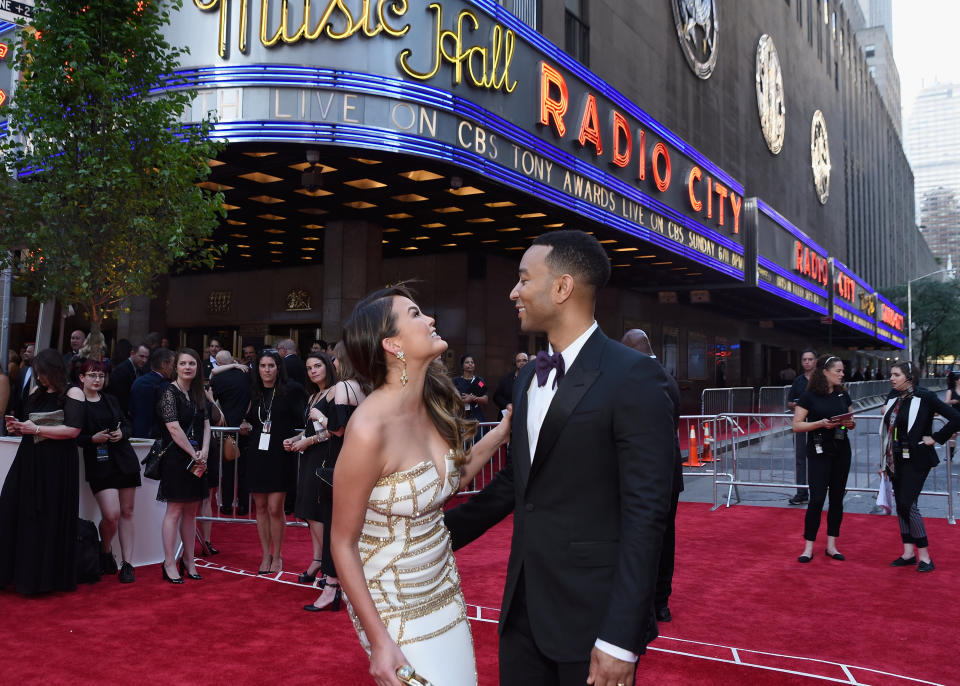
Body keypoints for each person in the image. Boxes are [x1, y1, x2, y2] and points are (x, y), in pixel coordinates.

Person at [445, 230, 676, 686]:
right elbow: (517, 483)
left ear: (562, 288)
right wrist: (435, 539)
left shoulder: (635, 377)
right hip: (522, 610)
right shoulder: (529, 374)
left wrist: (620, 638)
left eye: (523, 279)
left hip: (593, 620)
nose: (514, 292)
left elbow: (648, 515)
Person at [331, 284, 511, 685]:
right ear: (392, 345)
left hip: (443, 584)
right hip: (390, 602)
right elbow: (342, 542)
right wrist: (379, 641)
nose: (430, 319)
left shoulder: (433, 402)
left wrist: (502, 432)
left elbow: (452, 478)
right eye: (415, 314)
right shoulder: (368, 429)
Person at [0, 349, 85, 594]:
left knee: (47, 515)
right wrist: (17, 428)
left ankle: (43, 579)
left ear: (55, 370)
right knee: (11, 507)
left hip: (56, 465)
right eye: (38, 373)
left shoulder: (73, 392)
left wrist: (35, 429)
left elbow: (73, 430)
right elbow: (31, 422)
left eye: (43, 373)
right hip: (29, 459)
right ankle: (15, 573)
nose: (40, 377)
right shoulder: (37, 391)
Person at [620, 328, 683, 623]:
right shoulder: (667, 379)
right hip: (667, 474)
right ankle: (660, 602)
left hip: (647, 477)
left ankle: (649, 602)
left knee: (643, 539)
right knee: (664, 537)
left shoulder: (639, 380)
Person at [302, 341, 367, 612]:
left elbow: (339, 429)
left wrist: (320, 415)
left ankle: (331, 588)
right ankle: (344, 588)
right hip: (358, 463)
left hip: (341, 463)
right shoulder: (364, 389)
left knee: (334, 527)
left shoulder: (343, 387)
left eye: (335, 360)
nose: (333, 365)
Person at [882, 361, 960, 573]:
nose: (891, 378)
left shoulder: (925, 396)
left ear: (909, 378)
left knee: (908, 504)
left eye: (896, 374)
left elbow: (956, 418)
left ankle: (925, 556)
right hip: (895, 457)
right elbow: (888, 430)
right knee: (901, 504)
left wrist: (935, 438)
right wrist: (883, 460)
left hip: (917, 458)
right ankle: (908, 553)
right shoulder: (892, 396)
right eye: (891, 374)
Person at [240, 350, 306, 575]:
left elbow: (305, 421)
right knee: (260, 507)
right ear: (257, 369)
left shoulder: (292, 391)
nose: (267, 370)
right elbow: (249, 420)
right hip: (258, 455)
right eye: (262, 366)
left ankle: (278, 555)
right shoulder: (255, 393)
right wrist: (244, 424)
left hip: (281, 454)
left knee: (275, 508)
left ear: (278, 368)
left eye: (271, 366)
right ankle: (265, 554)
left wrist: (297, 439)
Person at [76, 359, 141, 583]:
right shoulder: (76, 403)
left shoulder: (111, 400)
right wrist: (91, 439)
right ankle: (104, 551)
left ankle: (128, 563)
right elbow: (74, 435)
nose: (97, 380)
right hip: (99, 463)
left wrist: (122, 433)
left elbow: (128, 424)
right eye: (92, 375)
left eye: (101, 376)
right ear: (81, 378)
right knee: (111, 514)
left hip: (124, 460)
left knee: (128, 512)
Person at [792, 355, 855, 563]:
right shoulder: (809, 396)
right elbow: (797, 425)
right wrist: (820, 423)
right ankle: (808, 547)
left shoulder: (843, 395)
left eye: (843, 371)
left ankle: (832, 545)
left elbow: (850, 420)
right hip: (819, 451)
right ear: (826, 372)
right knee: (817, 499)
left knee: (837, 499)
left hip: (841, 450)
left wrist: (847, 424)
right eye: (838, 371)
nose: (842, 374)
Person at [157, 348, 211, 584]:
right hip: (177, 460)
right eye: (183, 363)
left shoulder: (199, 393)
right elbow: (173, 428)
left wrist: (205, 451)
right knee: (175, 510)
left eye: (192, 363)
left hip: (198, 458)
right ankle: (169, 561)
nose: (188, 367)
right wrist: (193, 453)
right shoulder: (169, 392)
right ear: (175, 367)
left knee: (191, 512)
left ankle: (189, 561)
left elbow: (207, 423)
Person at [286, 352, 336, 588]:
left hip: (324, 458)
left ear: (328, 367)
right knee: (307, 510)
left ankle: (327, 566)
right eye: (309, 368)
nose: (313, 371)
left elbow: (336, 430)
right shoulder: (313, 395)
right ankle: (318, 559)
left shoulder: (336, 392)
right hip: (309, 457)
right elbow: (308, 430)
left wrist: (307, 442)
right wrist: (295, 438)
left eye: (318, 366)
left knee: (317, 512)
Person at [210, 349, 252, 516]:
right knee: (244, 469)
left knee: (228, 468)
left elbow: (210, 399)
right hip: (245, 425)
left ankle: (226, 505)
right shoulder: (246, 375)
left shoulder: (218, 378)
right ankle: (244, 506)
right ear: (233, 360)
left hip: (227, 427)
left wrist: (219, 413)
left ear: (219, 363)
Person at [787, 349, 817, 505]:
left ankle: (821, 490)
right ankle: (801, 492)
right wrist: (795, 405)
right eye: (804, 359)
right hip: (801, 424)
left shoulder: (822, 379)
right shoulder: (798, 381)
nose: (807, 362)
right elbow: (789, 402)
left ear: (815, 361)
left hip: (819, 425)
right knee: (800, 459)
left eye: (810, 359)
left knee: (820, 458)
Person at [129, 347, 175, 438]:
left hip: (136, 433)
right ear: (164, 365)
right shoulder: (164, 386)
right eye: (173, 365)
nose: (174, 369)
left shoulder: (138, 381)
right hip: (155, 437)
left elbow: (131, 409)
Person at [107, 343, 149, 416]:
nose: (144, 360)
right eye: (141, 356)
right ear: (132, 354)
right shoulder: (121, 370)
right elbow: (119, 398)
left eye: (146, 357)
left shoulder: (140, 369)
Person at [453, 354, 488, 422]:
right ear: (462, 366)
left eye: (472, 362)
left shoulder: (479, 381)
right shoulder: (456, 381)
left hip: (476, 414)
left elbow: (485, 399)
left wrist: (473, 398)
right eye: (467, 362)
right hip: (461, 414)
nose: (470, 364)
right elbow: (452, 399)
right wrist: (464, 401)